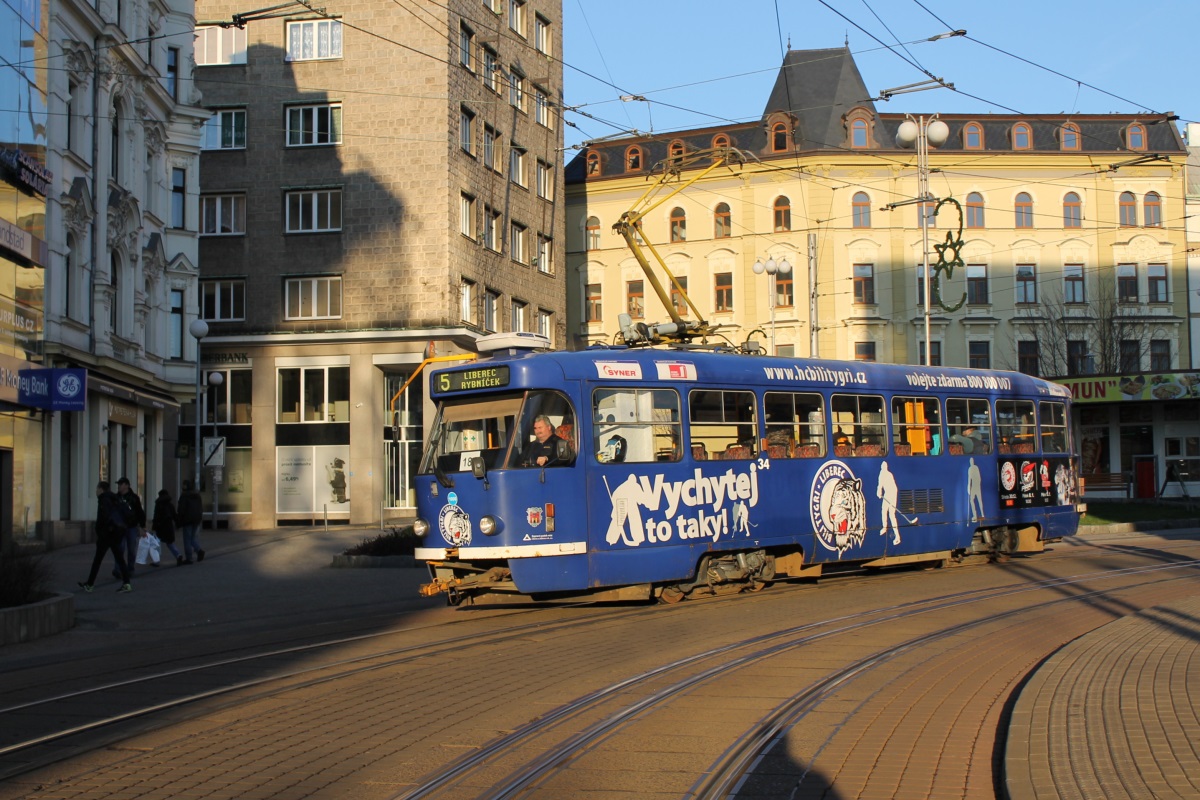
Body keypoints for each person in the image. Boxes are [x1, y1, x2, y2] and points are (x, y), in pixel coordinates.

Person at [80, 481, 131, 592]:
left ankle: (90, 584)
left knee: (97, 560)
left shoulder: (104, 500)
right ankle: (127, 583)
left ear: (101, 489)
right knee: (120, 559)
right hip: (115, 533)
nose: (96, 491)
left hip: (106, 535)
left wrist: (100, 531)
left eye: (97, 489)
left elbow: (104, 518)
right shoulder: (114, 498)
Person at [114, 477, 146, 577]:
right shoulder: (116, 498)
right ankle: (118, 570)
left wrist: (142, 526)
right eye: (118, 484)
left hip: (132, 527)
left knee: (131, 549)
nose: (119, 486)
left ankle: (130, 569)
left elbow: (140, 512)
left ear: (127, 485)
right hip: (120, 527)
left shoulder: (134, 498)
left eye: (121, 484)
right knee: (120, 549)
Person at [152, 489, 185, 566]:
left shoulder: (158, 505)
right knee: (170, 543)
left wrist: (154, 526)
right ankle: (178, 555)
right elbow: (175, 516)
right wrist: (178, 524)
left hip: (160, 526)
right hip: (168, 526)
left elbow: (156, 516)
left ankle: (156, 561)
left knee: (156, 543)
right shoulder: (170, 505)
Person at [177, 480, 205, 563]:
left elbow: (181, 509)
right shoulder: (197, 495)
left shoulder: (184, 496)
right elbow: (200, 507)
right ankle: (199, 550)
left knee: (187, 539)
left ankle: (189, 558)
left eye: (183, 485)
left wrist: (179, 520)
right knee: (192, 538)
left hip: (187, 520)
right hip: (196, 519)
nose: (182, 486)